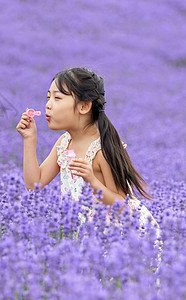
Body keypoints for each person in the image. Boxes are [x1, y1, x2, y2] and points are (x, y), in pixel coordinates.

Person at [16, 67, 160, 237]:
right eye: (48, 97)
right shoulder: (64, 143)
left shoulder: (103, 149)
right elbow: (34, 185)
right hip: (88, 235)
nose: (48, 105)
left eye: (57, 98)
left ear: (84, 106)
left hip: (124, 236)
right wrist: (29, 139)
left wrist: (92, 181)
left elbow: (122, 206)